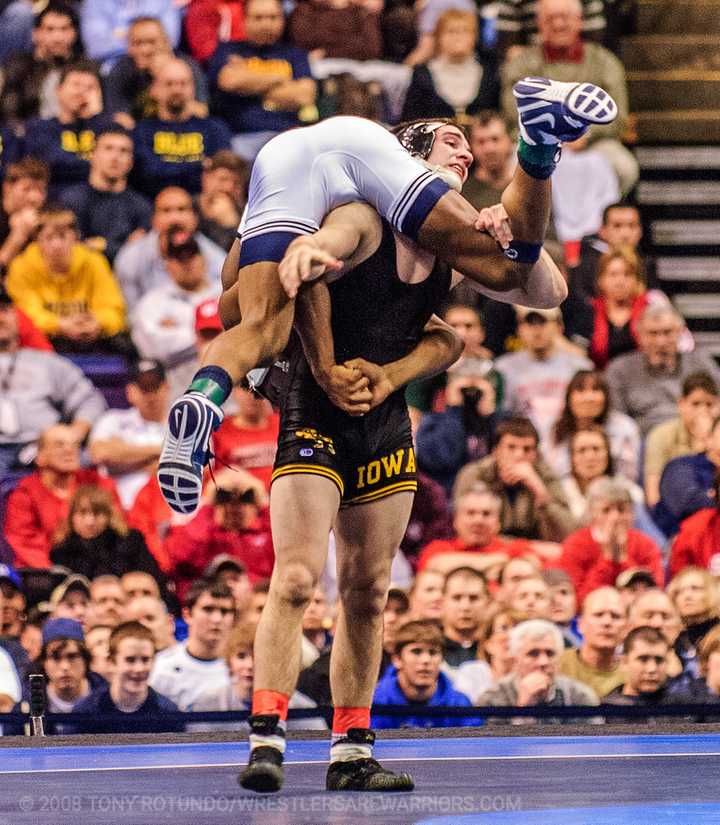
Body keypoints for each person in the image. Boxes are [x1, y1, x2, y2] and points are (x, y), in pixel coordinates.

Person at [159, 79, 617, 514]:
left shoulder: (385, 220)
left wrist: (298, 274)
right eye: (451, 142)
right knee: (506, 265)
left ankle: (204, 395)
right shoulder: (376, 202)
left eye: (467, 147)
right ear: (411, 154)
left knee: (261, 327)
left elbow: (546, 294)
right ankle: (537, 140)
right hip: (349, 169)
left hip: (279, 160)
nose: (467, 155)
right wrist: (323, 349)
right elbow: (515, 277)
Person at [501, 0, 637, 195]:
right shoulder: (521, 64)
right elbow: (514, 114)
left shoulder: (604, 61)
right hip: (537, 141)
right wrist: (553, 137)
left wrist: (584, 135)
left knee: (624, 168)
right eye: (550, 19)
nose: (558, 24)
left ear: (579, 21)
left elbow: (618, 116)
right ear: (539, 24)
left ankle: (600, 214)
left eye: (565, 17)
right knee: (511, 169)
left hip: (594, 142)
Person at [5, 205, 127, 354]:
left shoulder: (94, 262)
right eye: (49, 238)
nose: (56, 245)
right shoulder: (21, 267)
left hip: (92, 336)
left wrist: (98, 322)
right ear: (38, 240)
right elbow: (26, 317)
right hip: (47, 340)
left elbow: (114, 310)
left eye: (62, 236)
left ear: (75, 237)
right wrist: (60, 325)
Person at [207, 0, 317, 161]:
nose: (266, 24)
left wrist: (248, 84)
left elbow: (304, 96)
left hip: (286, 136)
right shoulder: (227, 49)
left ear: (283, 19)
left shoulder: (296, 54)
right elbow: (229, 81)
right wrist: (280, 78)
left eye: (273, 17)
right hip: (240, 137)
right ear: (244, 20)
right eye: (258, 17)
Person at [3, 425, 120, 569]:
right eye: (59, 445)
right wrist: (59, 570)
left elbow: (119, 531)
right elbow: (23, 541)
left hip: (99, 567)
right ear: (40, 456)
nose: (69, 450)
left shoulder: (99, 484)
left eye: (75, 445)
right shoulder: (25, 492)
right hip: (46, 571)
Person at [454, 417, 576, 542]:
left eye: (527, 449)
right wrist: (519, 546)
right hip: (489, 549)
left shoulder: (545, 476)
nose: (519, 455)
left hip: (537, 551)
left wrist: (540, 491)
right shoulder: (475, 475)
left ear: (536, 455)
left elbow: (569, 534)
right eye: (511, 447)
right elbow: (463, 530)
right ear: (495, 451)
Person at [607, 304, 720, 438]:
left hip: (696, 437)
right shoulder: (620, 369)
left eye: (667, 332)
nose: (660, 342)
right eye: (653, 333)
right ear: (640, 335)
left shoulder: (702, 363)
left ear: (680, 332)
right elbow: (618, 420)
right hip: (641, 439)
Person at [192, 622, 326, 728]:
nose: (249, 665)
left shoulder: (302, 708)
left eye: (259, 656)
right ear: (229, 661)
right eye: (241, 656)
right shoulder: (207, 704)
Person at [132, 58, 232, 198]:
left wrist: (165, 170)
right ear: (154, 90)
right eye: (169, 83)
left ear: (193, 89)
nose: (177, 89)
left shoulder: (215, 129)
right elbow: (148, 175)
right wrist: (200, 165)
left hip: (203, 203)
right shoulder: (142, 131)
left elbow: (220, 174)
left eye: (183, 83)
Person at [114, 186, 225, 312]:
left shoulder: (216, 258)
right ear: (154, 219)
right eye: (166, 211)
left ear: (195, 218)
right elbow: (132, 313)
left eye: (182, 209)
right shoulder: (130, 258)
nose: (175, 218)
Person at [495, 305, 591, 446]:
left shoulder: (580, 367)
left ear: (559, 327)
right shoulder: (503, 368)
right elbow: (500, 416)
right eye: (529, 323)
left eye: (543, 322)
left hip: (570, 440)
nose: (536, 330)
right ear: (519, 329)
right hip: (522, 442)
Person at [560, 478, 664, 606]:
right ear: (591, 513)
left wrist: (622, 557)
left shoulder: (645, 544)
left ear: (632, 514)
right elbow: (578, 600)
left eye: (621, 510)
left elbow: (654, 593)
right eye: (606, 510)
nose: (615, 518)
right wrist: (608, 559)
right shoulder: (576, 544)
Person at [164, 482, 273, 603]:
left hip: (258, 604)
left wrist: (264, 503)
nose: (234, 507)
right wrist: (208, 506)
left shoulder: (265, 533)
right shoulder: (206, 534)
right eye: (224, 498)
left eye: (246, 498)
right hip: (214, 602)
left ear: (255, 506)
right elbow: (181, 557)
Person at [60, 125, 152, 264]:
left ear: (131, 161)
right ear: (92, 155)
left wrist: (102, 246)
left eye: (124, 151)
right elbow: (71, 250)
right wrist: (122, 248)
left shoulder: (142, 206)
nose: (115, 157)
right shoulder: (70, 200)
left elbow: (140, 258)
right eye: (108, 148)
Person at [476, 619, 598, 722]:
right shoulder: (492, 699)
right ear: (516, 659)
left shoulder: (580, 697)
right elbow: (490, 743)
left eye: (550, 653)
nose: (543, 662)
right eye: (533, 654)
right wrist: (524, 710)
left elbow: (594, 742)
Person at [72, 621, 182, 732]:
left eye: (145, 660)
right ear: (112, 662)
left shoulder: (168, 714)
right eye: (130, 660)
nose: (139, 668)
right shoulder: (86, 712)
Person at [371, 619, 480, 729]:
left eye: (433, 652)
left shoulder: (459, 703)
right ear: (397, 659)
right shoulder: (374, 702)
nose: (426, 660)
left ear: (442, 659)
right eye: (416, 651)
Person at [88, 360, 169, 510]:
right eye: (144, 389)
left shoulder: (183, 423)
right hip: (119, 509)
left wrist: (125, 456)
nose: (151, 396)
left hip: (168, 511)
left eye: (155, 387)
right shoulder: (113, 419)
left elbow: (198, 465)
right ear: (130, 391)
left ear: (166, 388)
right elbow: (100, 453)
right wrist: (164, 450)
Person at [130, 233, 220, 365]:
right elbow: (153, 348)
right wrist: (214, 333)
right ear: (167, 265)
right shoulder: (153, 302)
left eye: (191, 255)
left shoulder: (224, 293)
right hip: (179, 377)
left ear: (203, 259)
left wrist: (178, 331)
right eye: (179, 258)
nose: (186, 263)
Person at [23, 60, 110, 196]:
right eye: (76, 84)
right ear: (58, 90)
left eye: (90, 87)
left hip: (103, 198)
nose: (82, 92)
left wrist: (96, 118)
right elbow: (54, 163)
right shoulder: (39, 128)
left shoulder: (108, 127)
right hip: (57, 198)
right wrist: (101, 166)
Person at [104, 17, 208, 127]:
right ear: (128, 47)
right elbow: (120, 119)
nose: (145, 50)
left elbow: (202, 111)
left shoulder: (186, 67)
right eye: (137, 43)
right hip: (141, 134)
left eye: (152, 42)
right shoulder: (121, 70)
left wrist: (165, 74)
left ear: (167, 42)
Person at [415, 358, 500, 494]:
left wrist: (490, 415)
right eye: (464, 390)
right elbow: (443, 460)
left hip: (488, 496)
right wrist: (454, 410)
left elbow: (501, 459)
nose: (471, 395)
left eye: (478, 389)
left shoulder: (497, 422)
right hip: (447, 498)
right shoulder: (431, 423)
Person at [149, 578, 235, 709]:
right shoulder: (161, 668)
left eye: (225, 611)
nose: (217, 619)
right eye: (208, 609)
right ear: (187, 615)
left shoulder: (242, 670)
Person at [400, 11, 498, 122]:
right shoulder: (421, 75)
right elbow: (409, 120)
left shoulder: (489, 74)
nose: (458, 37)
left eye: (465, 31)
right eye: (451, 31)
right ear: (439, 37)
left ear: (475, 37)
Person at [545, 368, 640, 482]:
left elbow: (628, 476)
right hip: (564, 490)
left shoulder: (624, 427)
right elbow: (550, 472)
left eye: (595, 390)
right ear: (569, 397)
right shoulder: (556, 429)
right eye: (580, 390)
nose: (589, 398)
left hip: (613, 489)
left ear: (606, 396)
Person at [49, 485, 162, 581]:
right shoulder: (61, 552)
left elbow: (153, 581)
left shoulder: (131, 543)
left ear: (109, 516)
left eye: (97, 513)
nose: (90, 522)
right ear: (71, 517)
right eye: (82, 513)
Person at [644, 371, 720, 508]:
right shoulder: (661, 435)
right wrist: (704, 442)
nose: (703, 411)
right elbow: (653, 498)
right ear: (681, 404)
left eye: (709, 404)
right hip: (673, 511)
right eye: (695, 404)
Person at [0, 2, 80, 130]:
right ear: (35, 34)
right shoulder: (19, 67)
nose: (58, 38)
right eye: (50, 29)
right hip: (28, 136)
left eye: (64, 29)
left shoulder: (83, 68)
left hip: (73, 135)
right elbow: (10, 115)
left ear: (74, 33)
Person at [417, 487, 528, 577]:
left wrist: (452, 566)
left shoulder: (516, 548)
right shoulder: (436, 549)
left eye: (486, 514)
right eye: (470, 513)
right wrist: (499, 560)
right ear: (455, 520)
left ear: (498, 522)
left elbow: (530, 564)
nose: (478, 521)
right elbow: (434, 566)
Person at [652, 416, 720, 539]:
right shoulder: (682, 466)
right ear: (709, 439)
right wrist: (714, 499)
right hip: (674, 540)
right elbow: (686, 502)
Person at [604, 626, 697, 714]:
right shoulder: (605, 712)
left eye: (659, 660)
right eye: (643, 659)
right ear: (624, 662)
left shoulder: (686, 709)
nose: (652, 669)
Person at [559, 586, 626, 697]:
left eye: (615, 616)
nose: (607, 622)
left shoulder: (632, 675)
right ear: (581, 624)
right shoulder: (557, 665)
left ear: (626, 628)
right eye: (598, 615)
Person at [80, 0, 181, 68]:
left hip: (159, 63)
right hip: (110, 68)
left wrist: (124, 36)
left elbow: (170, 40)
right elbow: (96, 47)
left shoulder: (163, 1)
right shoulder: (95, 2)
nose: (144, 49)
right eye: (137, 43)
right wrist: (147, 41)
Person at [667, 566, 720, 678]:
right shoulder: (676, 641)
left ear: (711, 592)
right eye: (680, 592)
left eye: (695, 589)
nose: (687, 596)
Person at [289, 0, 382, 61]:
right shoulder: (305, 10)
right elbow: (304, 40)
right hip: (320, 65)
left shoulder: (361, 12)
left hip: (359, 64)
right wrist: (351, 41)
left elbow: (371, 47)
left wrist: (326, 52)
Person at [462, 112, 517, 212]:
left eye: (495, 139)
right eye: (481, 142)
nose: (489, 149)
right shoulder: (462, 197)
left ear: (510, 141)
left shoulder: (527, 188)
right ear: (471, 146)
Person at [0, 157, 48, 270]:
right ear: (7, 188)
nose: (34, 198)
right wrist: (18, 237)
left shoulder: (45, 216)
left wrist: (37, 235)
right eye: (27, 189)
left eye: (40, 190)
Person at [195, 150, 247, 252]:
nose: (228, 188)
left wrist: (232, 226)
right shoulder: (187, 208)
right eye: (223, 179)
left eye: (237, 183)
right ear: (206, 178)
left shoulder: (247, 218)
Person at [441, 566, 489, 668]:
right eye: (456, 598)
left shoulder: (498, 650)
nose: (465, 607)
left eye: (474, 598)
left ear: (488, 601)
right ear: (442, 601)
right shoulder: (428, 646)